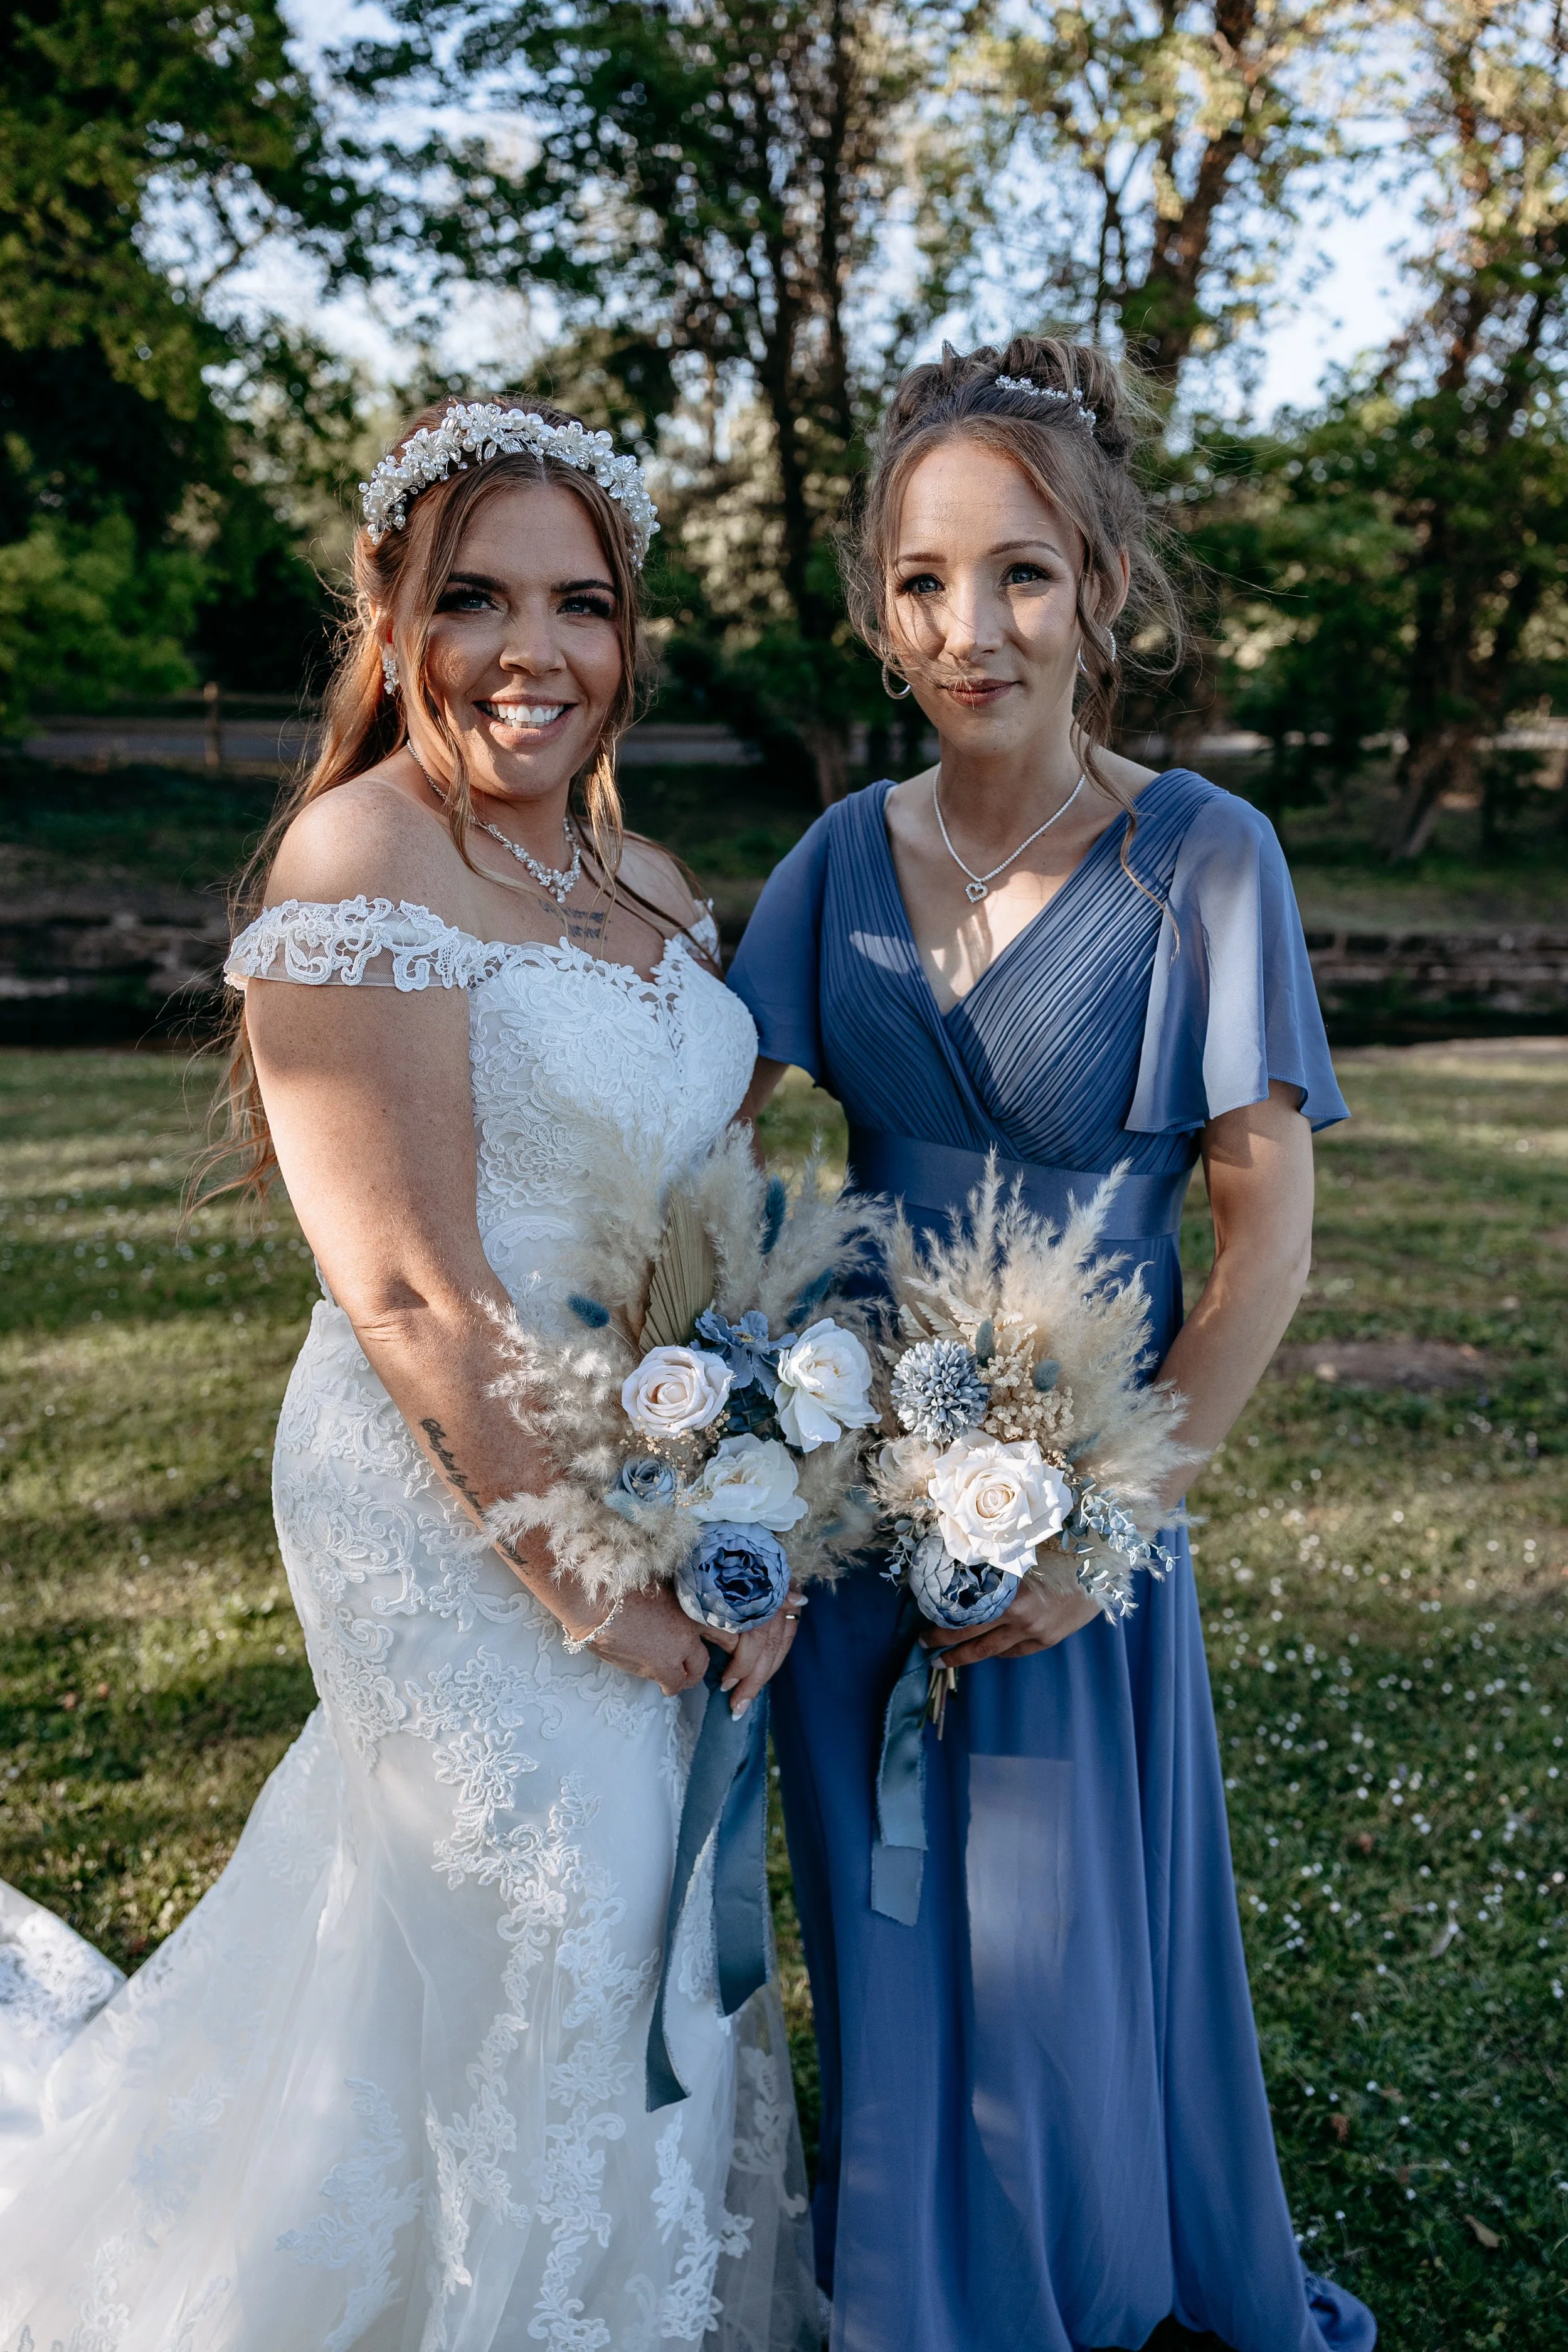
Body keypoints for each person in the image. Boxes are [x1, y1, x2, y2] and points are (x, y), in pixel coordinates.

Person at [0, 398, 819, 2352]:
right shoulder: (357, 852)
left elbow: (693, 1242)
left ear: (631, 635)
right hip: (441, 1478)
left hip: (646, 1463)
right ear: (390, 614)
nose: (533, 651)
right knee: (551, 1910)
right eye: (475, 597)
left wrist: (746, 1517)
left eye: (581, 604)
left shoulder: (649, 890)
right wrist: (585, 1572)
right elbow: (408, 1285)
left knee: (618, 1924)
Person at [727, 338, 1376, 2352]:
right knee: (888, 1905)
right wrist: (752, 1421)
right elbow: (714, 1167)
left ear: (1106, 585)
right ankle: (918, 2283)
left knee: (1074, 1918)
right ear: (875, 603)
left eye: (1020, 572)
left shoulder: (1204, 857)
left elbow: (1258, 1233)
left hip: (1094, 1497)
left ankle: (1088, 2261)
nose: (969, 626)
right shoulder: (836, 859)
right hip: (859, 1504)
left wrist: (1106, 1518)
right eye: (923, 580)